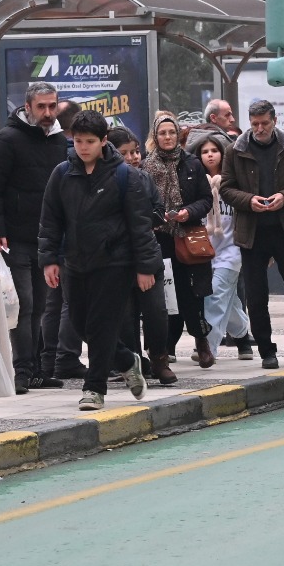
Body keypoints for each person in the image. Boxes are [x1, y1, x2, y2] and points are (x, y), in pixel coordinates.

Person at [37, 109, 160, 411]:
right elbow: (50, 220)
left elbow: (140, 224)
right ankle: (126, 360)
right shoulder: (62, 174)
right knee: (80, 323)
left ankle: (94, 388)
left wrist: (145, 267)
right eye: (78, 141)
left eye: (90, 141)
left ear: (104, 141)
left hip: (115, 262)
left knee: (102, 324)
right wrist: (49, 259)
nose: (83, 147)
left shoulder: (124, 176)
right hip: (75, 262)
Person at [0, 82, 69, 393]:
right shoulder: (6, 140)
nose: (47, 112)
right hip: (13, 238)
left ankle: (35, 370)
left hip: (47, 239)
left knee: (42, 305)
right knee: (23, 304)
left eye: (52, 106)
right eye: (41, 106)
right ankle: (21, 370)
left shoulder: (60, 141)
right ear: (27, 107)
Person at [221, 99, 284, 369]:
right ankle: (266, 350)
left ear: (274, 120)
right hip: (252, 233)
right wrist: (249, 200)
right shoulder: (234, 150)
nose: (259, 129)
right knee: (256, 293)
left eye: (264, 123)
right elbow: (226, 188)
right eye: (254, 124)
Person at [145, 111, 215, 372]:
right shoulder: (146, 166)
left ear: (178, 135)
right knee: (164, 296)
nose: (167, 137)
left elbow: (205, 200)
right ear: (155, 136)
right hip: (159, 238)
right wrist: (155, 217)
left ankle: (202, 342)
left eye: (171, 132)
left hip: (188, 237)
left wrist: (188, 212)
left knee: (193, 293)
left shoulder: (192, 164)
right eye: (162, 133)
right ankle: (162, 349)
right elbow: (141, 202)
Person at [109, 127, 170, 382]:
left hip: (147, 257)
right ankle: (132, 363)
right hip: (118, 261)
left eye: (135, 151)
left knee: (157, 312)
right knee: (124, 318)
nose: (133, 157)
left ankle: (159, 358)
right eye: (125, 153)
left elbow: (158, 210)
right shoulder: (106, 182)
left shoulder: (144, 179)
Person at [187, 130, 253, 360]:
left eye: (214, 150)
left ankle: (208, 348)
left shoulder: (233, 183)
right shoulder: (195, 184)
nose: (210, 155)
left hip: (231, 249)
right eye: (205, 152)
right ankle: (242, 331)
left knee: (215, 295)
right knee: (228, 300)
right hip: (204, 250)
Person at [38, 100, 87, 381]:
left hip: (54, 240)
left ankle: (50, 357)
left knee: (53, 302)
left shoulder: (53, 153)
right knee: (70, 301)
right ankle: (67, 355)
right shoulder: (71, 160)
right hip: (72, 243)